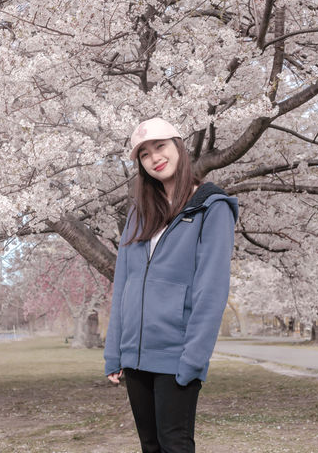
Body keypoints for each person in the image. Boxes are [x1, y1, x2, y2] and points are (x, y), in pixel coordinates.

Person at [104, 117, 238, 453]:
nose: (154, 157)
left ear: (178, 147)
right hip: (135, 357)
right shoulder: (139, 213)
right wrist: (114, 352)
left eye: (160, 146)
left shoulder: (211, 206)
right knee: (150, 446)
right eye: (145, 154)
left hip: (177, 356)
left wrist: (193, 359)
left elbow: (212, 290)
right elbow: (123, 284)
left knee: (174, 444)